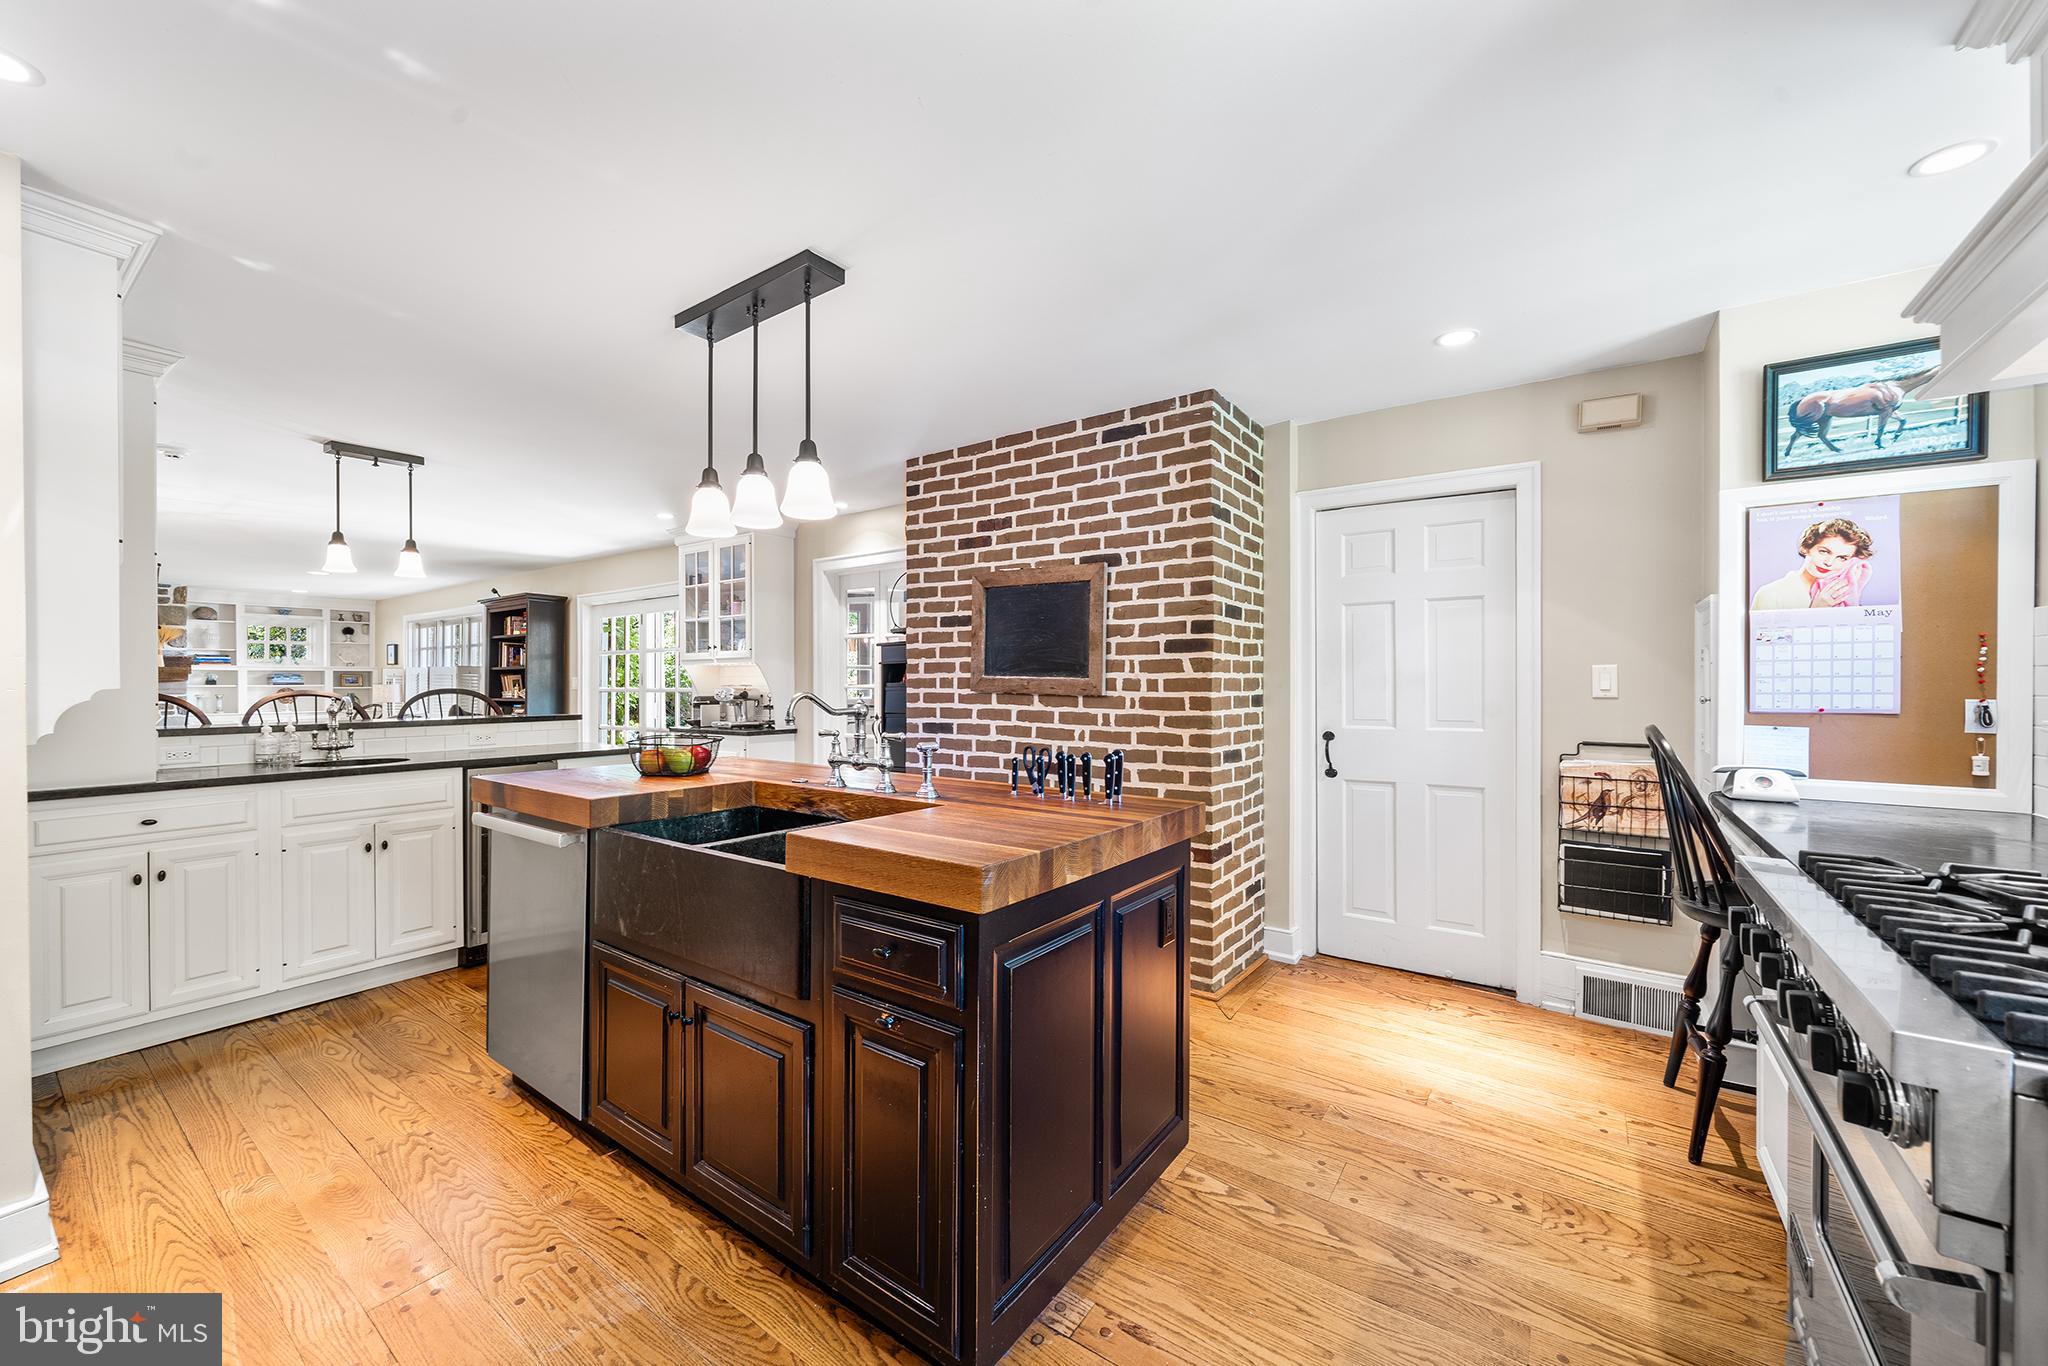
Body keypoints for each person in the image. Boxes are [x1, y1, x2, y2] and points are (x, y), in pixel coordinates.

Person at [1751, 516, 1874, 610]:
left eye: (1842, 558)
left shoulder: (1842, 595)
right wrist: (1817, 609)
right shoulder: (1771, 594)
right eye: (1824, 551)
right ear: (1806, 547)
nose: (1829, 563)